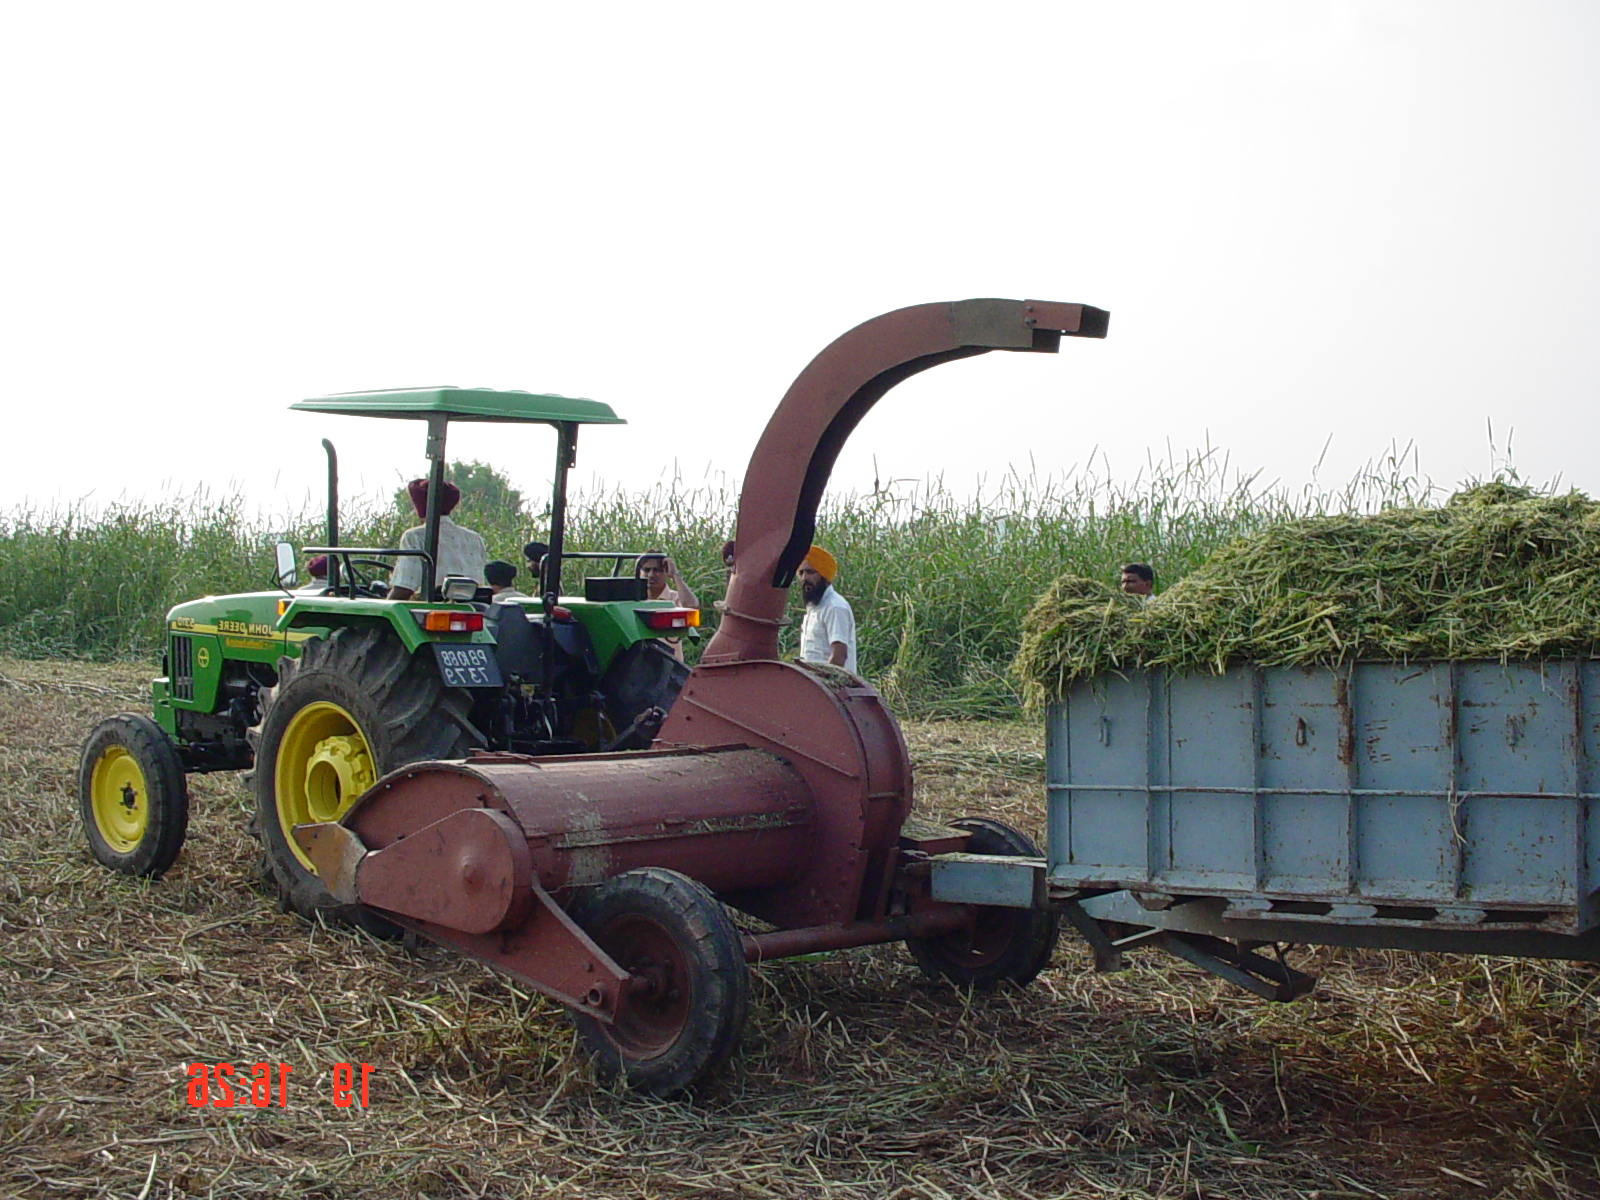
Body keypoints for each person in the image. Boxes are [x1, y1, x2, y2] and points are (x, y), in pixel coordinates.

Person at [387, 479, 488, 600]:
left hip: (431, 607)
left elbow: (405, 587)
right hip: (470, 605)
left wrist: (381, 609)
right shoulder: (475, 538)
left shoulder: (415, 536)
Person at [797, 545, 856, 672]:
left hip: (832, 687)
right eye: (801, 573)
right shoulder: (814, 607)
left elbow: (839, 656)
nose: (804, 578)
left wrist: (823, 683)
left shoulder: (835, 607)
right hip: (813, 684)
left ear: (824, 575)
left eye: (810, 572)